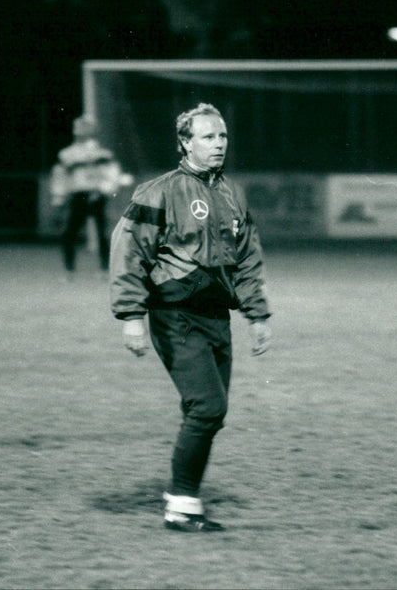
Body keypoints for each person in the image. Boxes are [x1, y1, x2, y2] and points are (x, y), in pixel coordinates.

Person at [109, 103, 272, 532]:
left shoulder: (232, 193)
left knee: (209, 412)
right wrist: (131, 316)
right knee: (207, 407)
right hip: (175, 315)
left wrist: (256, 314)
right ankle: (181, 506)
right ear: (185, 142)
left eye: (222, 136)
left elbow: (248, 259)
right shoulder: (158, 191)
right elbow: (129, 253)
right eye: (207, 136)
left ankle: (180, 491)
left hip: (217, 317)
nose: (219, 144)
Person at [51, 115, 134, 277]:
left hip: (97, 194)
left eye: (85, 128)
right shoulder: (67, 154)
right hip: (78, 195)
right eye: (79, 128)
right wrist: (59, 197)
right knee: (69, 233)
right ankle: (69, 269)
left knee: (102, 233)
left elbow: (112, 173)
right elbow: (60, 176)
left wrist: (104, 190)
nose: (81, 132)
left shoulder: (103, 154)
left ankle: (104, 268)